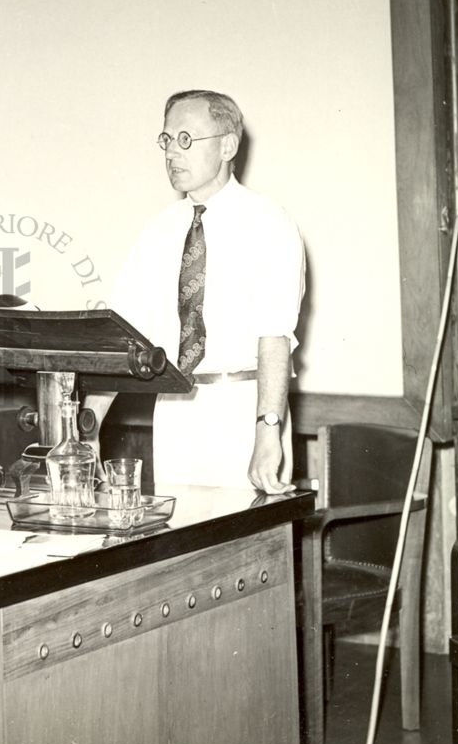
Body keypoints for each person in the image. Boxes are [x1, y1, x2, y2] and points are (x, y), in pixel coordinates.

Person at [84, 90, 305, 493]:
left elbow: (274, 337)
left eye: (186, 139)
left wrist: (268, 431)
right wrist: (89, 423)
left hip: (243, 409)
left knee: (248, 549)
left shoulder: (269, 223)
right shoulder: (157, 232)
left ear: (228, 146)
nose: (171, 153)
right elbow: (124, 334)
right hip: (175, 410)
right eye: (166, 140)